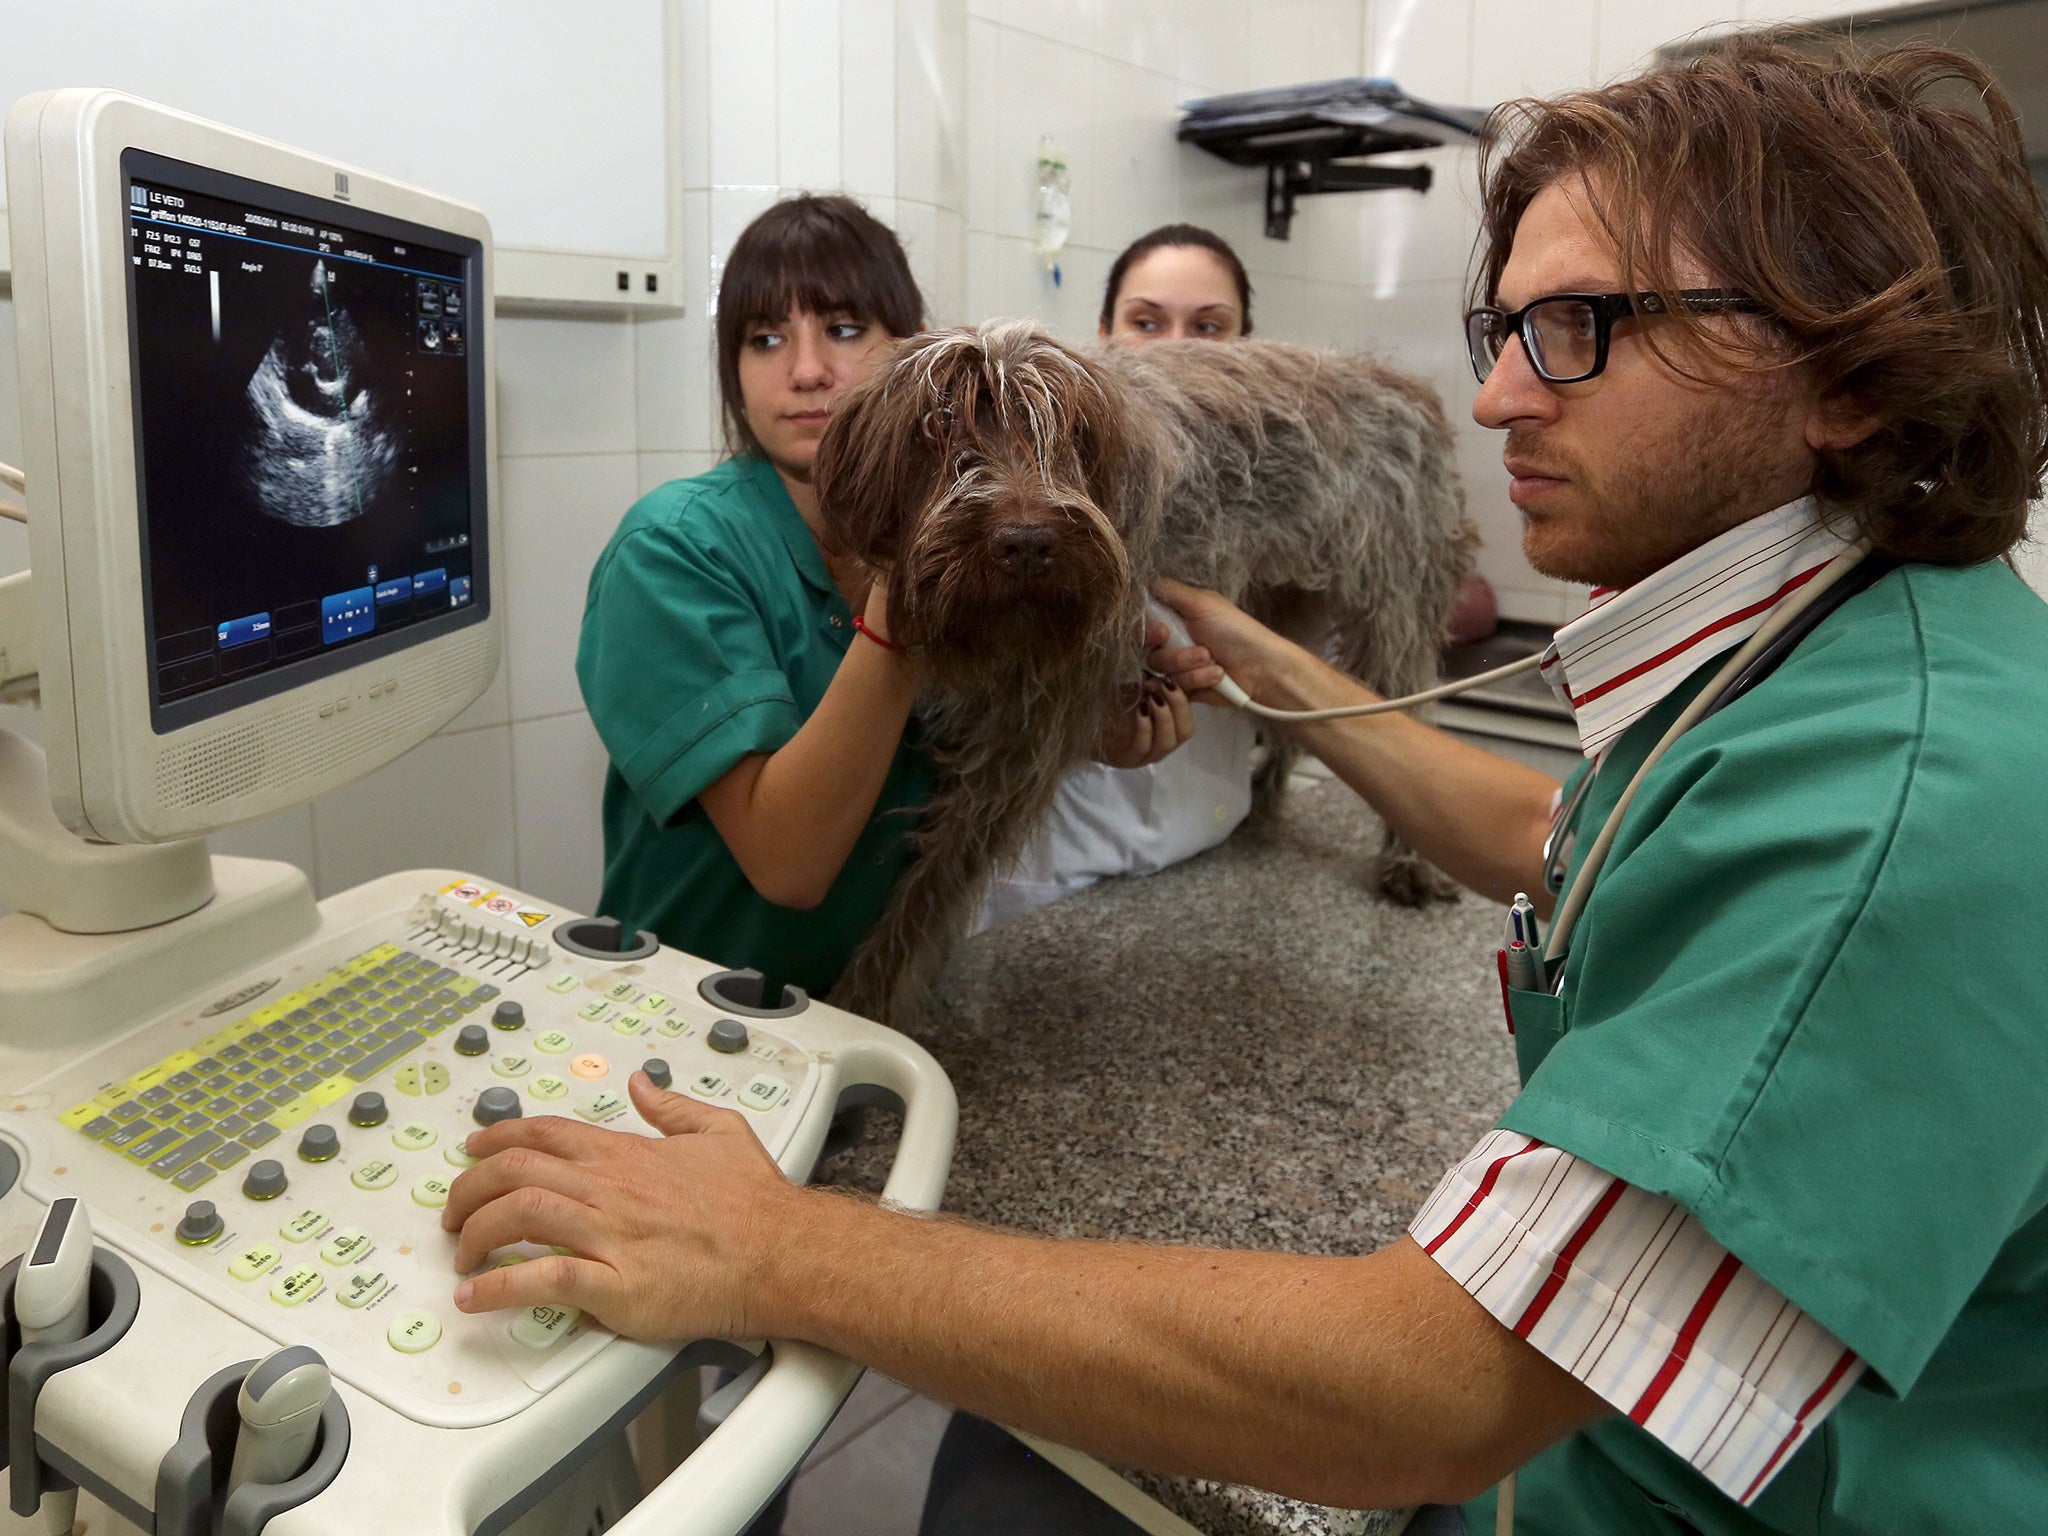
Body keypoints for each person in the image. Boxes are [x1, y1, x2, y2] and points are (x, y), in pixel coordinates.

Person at [456, 36, 2048, 1535]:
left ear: (1844, 376)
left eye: (1580, 331)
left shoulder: (1911, 811)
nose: (1494, 400)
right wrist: (1257, 655)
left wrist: (782, 1253)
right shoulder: (1837, 667)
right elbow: (1561, 839)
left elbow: (1427, 1395)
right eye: (1508, 334)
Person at [577, 195, 1194, 1001]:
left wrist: (1088, 731)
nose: (806, 372)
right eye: (765, 339)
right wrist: (897, 621)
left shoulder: (973, 535)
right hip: (686, 1015)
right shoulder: (672, 550)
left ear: (917, 354)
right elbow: (790, 864)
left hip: (884, 1011)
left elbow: (955, 757)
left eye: (842, 330)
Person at [979, 224, 1261, 929]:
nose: (1174, 349)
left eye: (1208, 327)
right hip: (1053, 885)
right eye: (1146, 322)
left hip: (1216, 856)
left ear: (1252, 348)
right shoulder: (1034, 492)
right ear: (1100, 337)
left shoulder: (1278, 485)